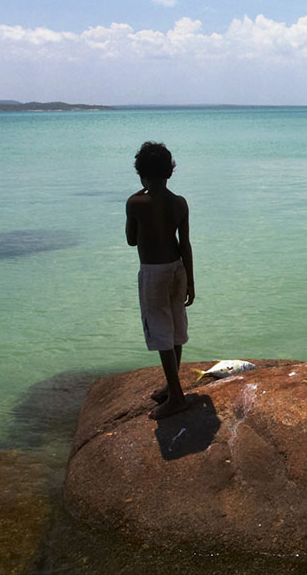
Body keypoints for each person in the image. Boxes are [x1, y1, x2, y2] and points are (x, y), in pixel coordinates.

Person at [126, 141, 195, 420]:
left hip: (153, 272)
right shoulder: (180, 203)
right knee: (176, 328)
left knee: (161, 330)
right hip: (177, 269)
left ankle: (176, 397)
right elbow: (185, 244)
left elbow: (131, 240)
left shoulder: (136, 203)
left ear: (141, 174)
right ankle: (172, 384)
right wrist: (191, 280)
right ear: (170, 172)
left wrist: (134, 204)